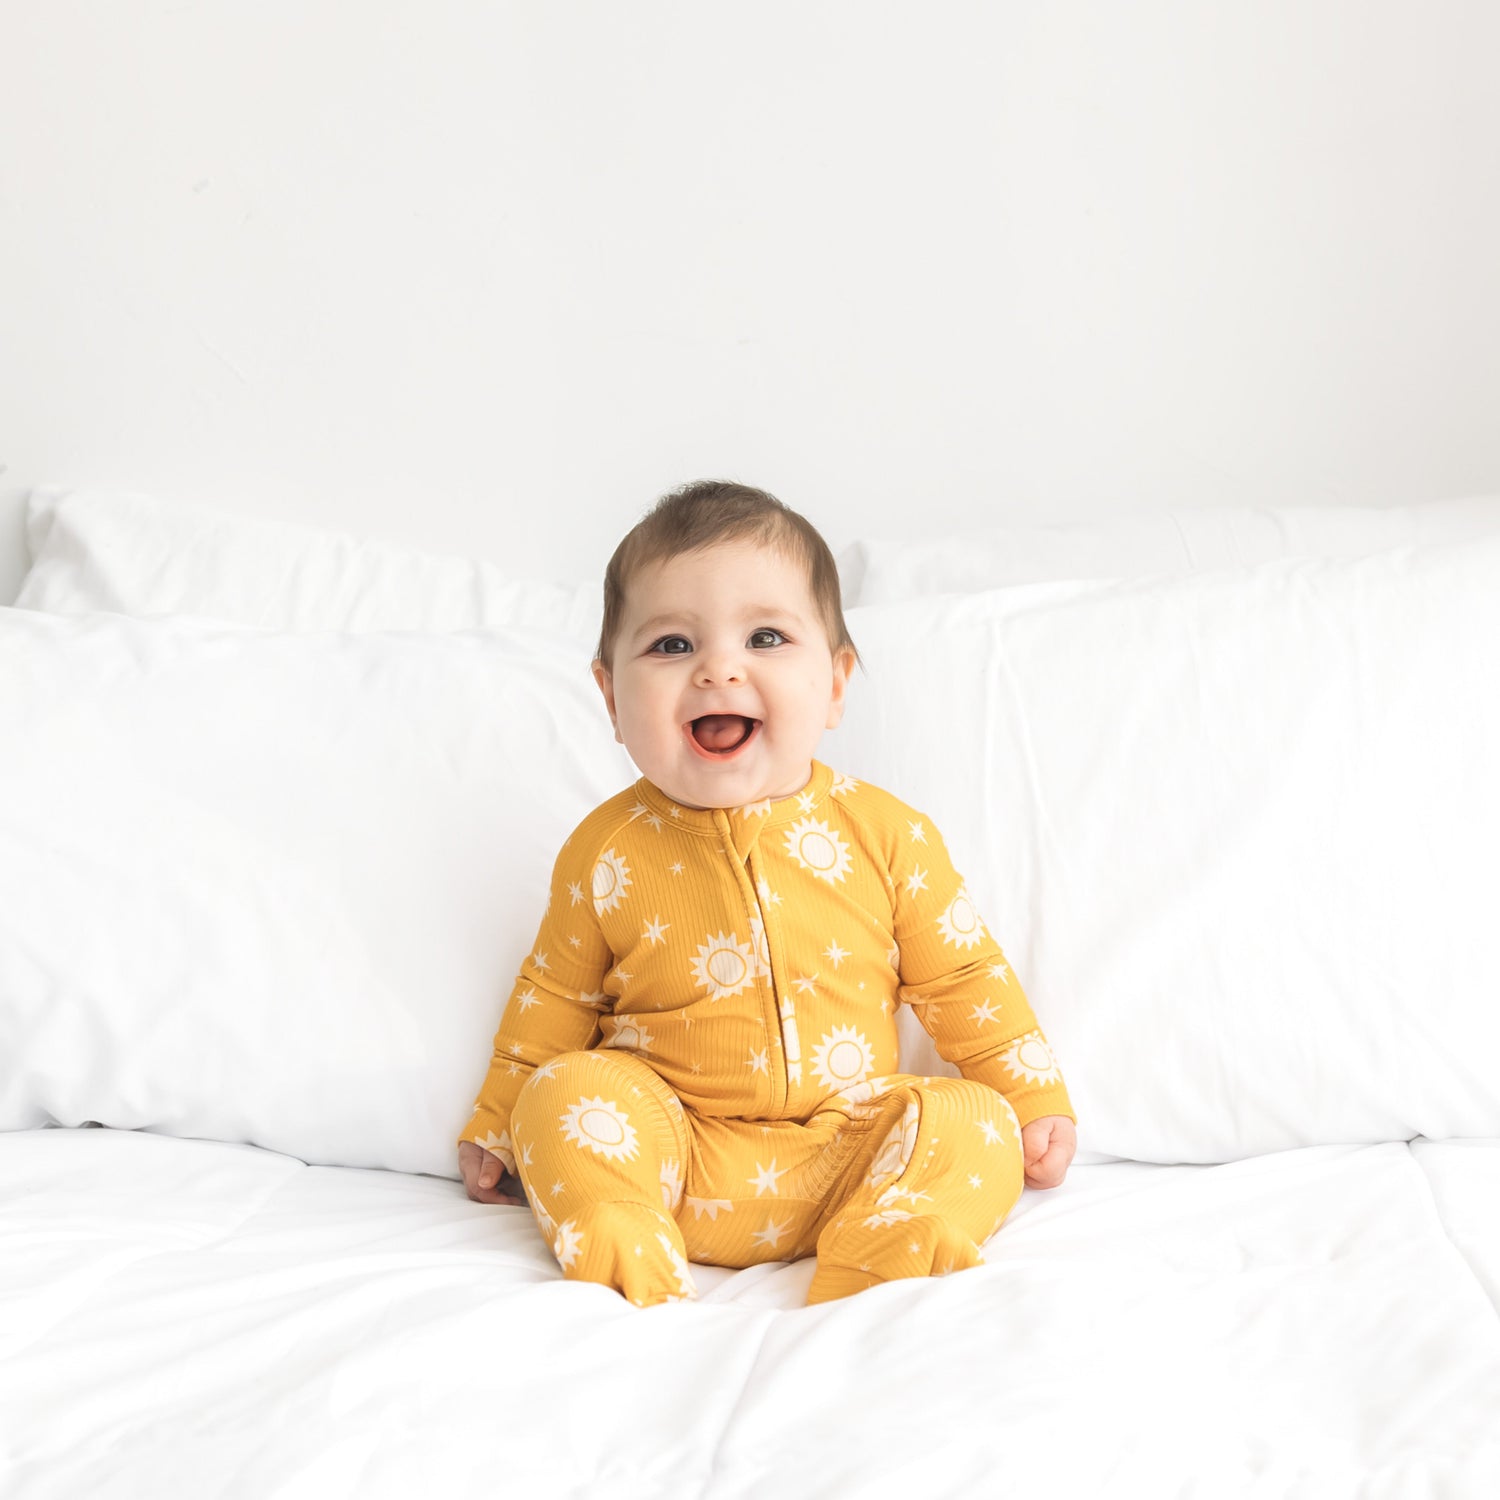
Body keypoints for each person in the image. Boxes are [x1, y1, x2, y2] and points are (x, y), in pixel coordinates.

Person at [458, 479, 1076, 1305]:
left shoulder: (887, 834)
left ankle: (890, 1240)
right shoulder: (606, 849)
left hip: (851, 1154)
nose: (719, 668)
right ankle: (623, 1240)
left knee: (974, 1121)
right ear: (610, 698)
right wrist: (499, 1116)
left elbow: (963, 978)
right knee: (563, 1094)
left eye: (766, 637)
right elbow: (555, 996)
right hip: (678, 1150)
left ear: (836, 683)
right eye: (672, 645)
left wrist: (1030, 1095)